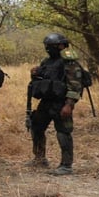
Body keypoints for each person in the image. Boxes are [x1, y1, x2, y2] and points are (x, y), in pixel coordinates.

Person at [26, 32, 84, 175]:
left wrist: (69, 104)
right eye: (47, 46)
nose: (48, 49)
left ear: (61, 46)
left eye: (50, 46)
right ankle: (40, 158)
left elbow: (75, 85)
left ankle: (66, 165)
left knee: (63, 133)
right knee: (36, 126)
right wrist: (34, 74)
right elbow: (42, 79)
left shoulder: (69, 63)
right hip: (46, 102)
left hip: (61, 103)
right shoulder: (46, 62)